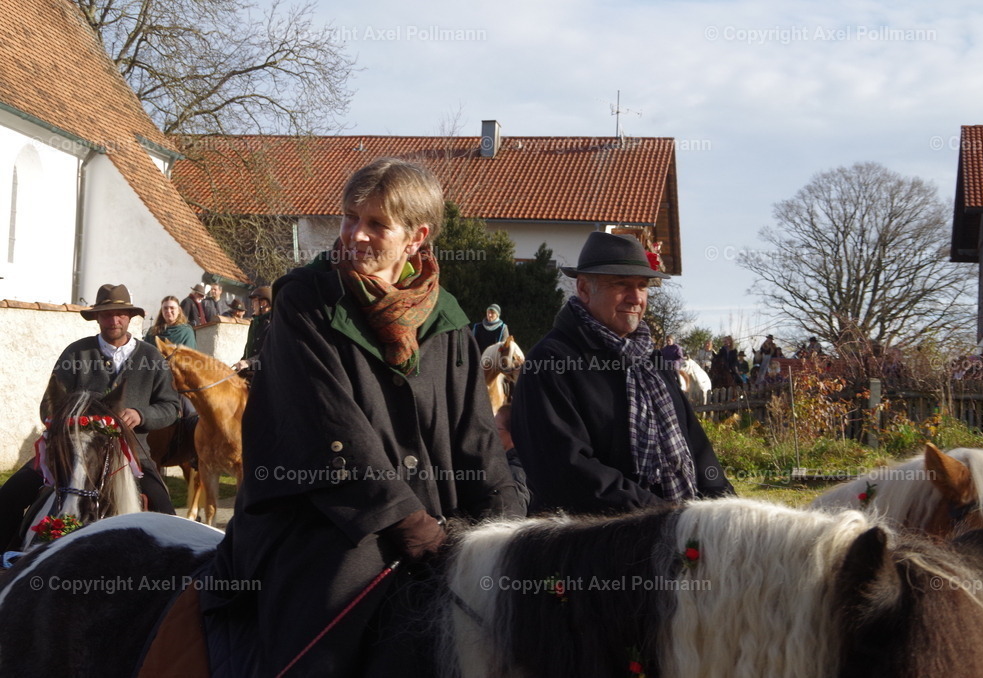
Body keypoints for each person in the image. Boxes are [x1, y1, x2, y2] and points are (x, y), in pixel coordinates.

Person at [201, 158, 525, 676]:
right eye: (351, 218)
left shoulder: (448, 321)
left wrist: (508, 535)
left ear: (416, 238)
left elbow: (479, 442)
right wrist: (409, 520)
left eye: (377, 224)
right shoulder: (306, 303)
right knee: (330, 633)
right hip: (326, 518)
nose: (357, 235)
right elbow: (330, 429)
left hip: (435, 525)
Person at [510, 231, 733, 515]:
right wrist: (662, 516)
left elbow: (698, 451)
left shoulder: (651, 362)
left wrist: (725, 511)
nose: (636, 298)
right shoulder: (551, 362)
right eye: (621, 284)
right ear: (584, 289)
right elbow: (566, 471)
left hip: (675, 536)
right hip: (592, 545)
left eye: (642, 285)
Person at [0, 284, 178, 549]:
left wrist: (141, 415)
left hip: (132, 453)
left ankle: (174, 578)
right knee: (8, 495)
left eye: (120, 313)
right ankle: (8, 563)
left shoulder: (151, 357)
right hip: (70, 451)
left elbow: (171, 407)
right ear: (97, 317)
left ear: (130, 316)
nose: (113, 320)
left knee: (166, 511)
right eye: (106, 314)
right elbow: (48, 406)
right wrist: (75, 419)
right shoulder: (75, 353)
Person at [231, 286, 272, 378]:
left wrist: (249, 362)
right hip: (250, 371)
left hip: (266, 375)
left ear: (264, 303)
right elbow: (248, 350)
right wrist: (241, 363)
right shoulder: (255, 322)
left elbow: (270, 352)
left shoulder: (274, 324)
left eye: (254, 302)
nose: (252, 305)